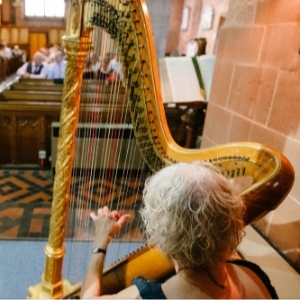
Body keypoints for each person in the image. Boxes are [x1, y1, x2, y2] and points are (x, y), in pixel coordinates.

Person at [81, 161, 278, 299]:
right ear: (232, 220)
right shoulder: (252, 274)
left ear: (159, 230)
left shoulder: (146, 297)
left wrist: (100, 241)